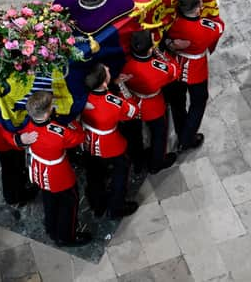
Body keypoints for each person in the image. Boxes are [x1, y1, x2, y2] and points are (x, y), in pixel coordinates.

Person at [20, 91, 91, 247]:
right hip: (59, 174)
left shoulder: (26, 123)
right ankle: (67, 237)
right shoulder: (57, 132)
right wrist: (72, 122)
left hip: (39, 168)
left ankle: (51, 228)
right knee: (69, 204)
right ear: (46, 114)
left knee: (49, 199)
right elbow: (79, 137)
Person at [163, 0, 225, 153]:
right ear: (198, 8)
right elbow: (220, 26)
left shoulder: (173, 22)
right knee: (198, 103)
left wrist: (170, 43)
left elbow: (164, 36)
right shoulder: (204, 27)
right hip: (196, 69)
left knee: (178, 102)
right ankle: (187, 139)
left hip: (176, 66)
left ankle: (180, 130)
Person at [81, 63, 139, 219]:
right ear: (104, 82)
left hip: (88, 141)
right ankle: (116, 207)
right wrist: (122, 87)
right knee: (121, 174)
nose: (108, 69)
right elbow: (133, 111)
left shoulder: (81, 97)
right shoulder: (114, 102)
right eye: (106, 71)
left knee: (94, 176)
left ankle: (97, 205)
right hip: (110, 144)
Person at [119, 30, 179, 174]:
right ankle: (157, 163)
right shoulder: (157, 68)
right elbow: (174, 70)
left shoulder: (126, 65)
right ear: (150, 49)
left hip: (133, 100)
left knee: (136, 137)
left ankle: (138, 163)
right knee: (159, 134)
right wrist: (158, 52)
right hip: (153, 104)